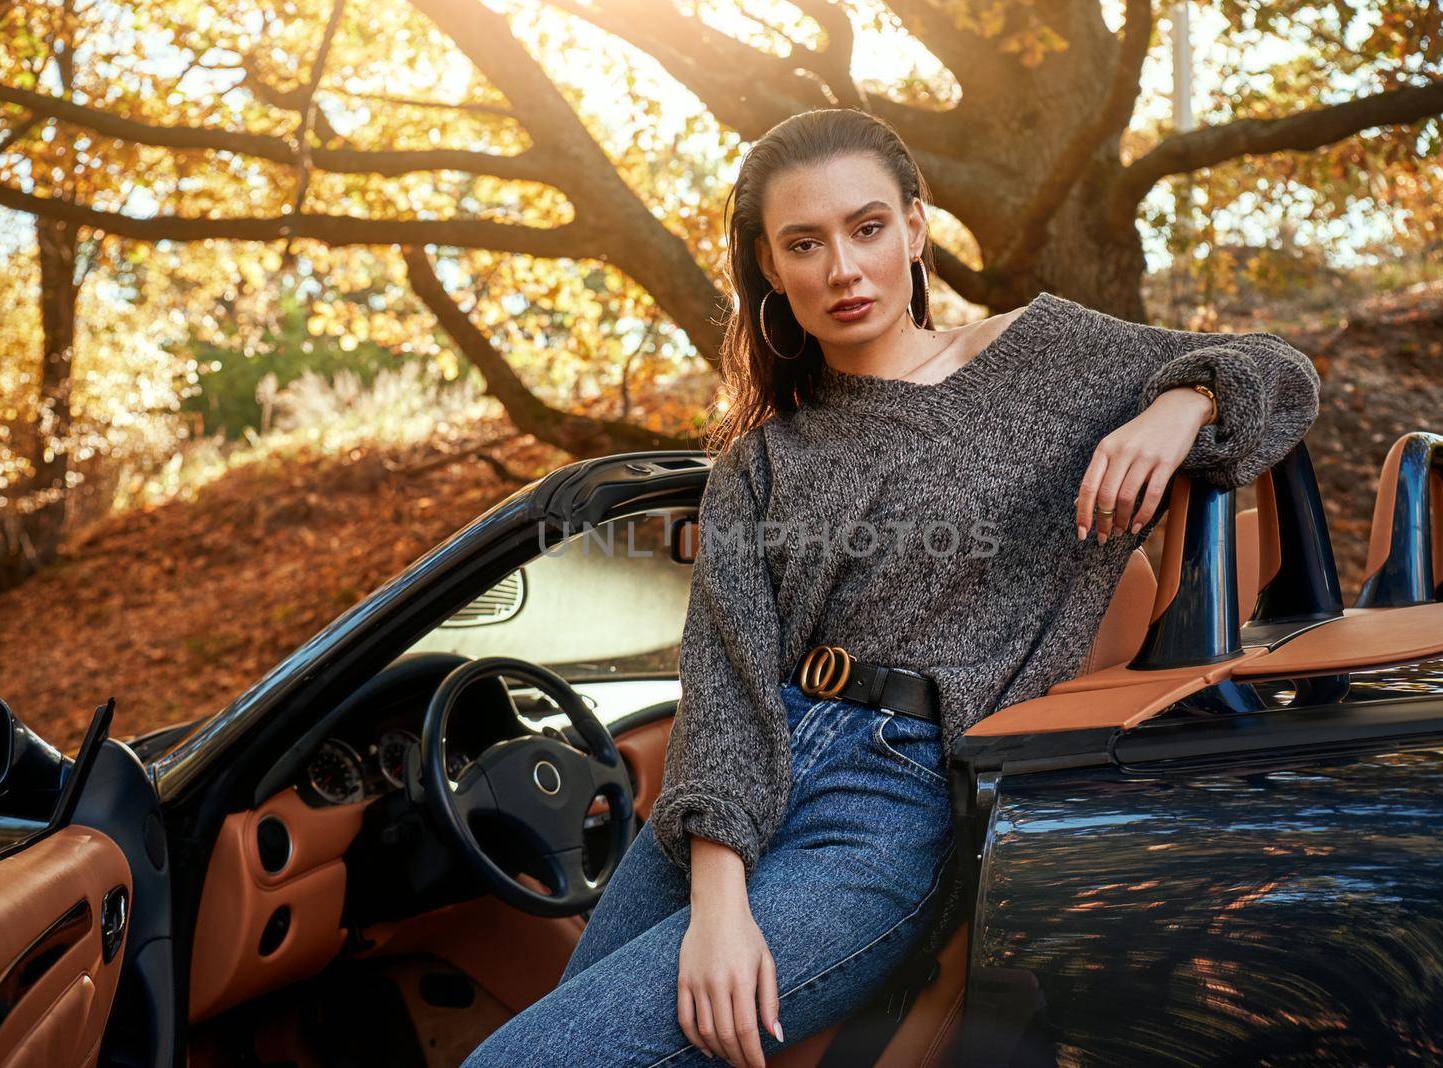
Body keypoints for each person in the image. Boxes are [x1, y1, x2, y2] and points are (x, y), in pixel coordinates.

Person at [462, 107, 1320, 1068]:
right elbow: (727, 677)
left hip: (894, 800)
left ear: (915, 227)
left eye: (867, 228)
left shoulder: (1049, 357)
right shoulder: (762, 460)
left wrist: (1180, 402)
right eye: (804, 243)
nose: (842, 269)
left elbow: (1277, 371)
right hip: (742, 785)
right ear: (770, 269)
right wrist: (721, 906)